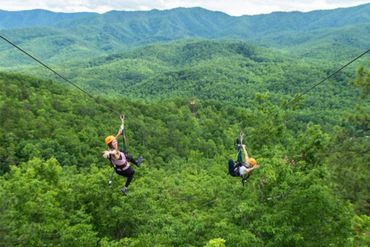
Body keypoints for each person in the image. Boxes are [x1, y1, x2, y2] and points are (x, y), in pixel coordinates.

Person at [103, 115, 143, 195]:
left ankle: (137, 163)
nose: (116, 142)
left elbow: (119, 132)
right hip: (124, 170)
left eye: (115, 141)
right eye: (114, 142)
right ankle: (125, 188)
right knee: (132, 173)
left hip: (118, 168)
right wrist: (109, 153)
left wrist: (122, 121)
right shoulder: (114, 152)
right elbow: (114, 153)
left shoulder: (110, 146)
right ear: (111, 144)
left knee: (129, 156)